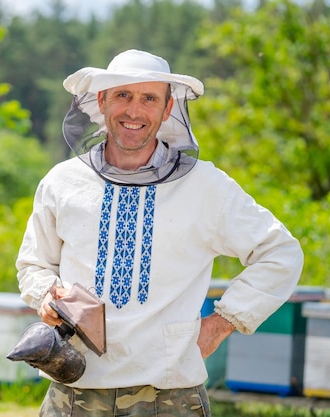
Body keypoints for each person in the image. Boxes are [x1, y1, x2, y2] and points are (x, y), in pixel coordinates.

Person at [15, 49, 304, 416]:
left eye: (149, 98)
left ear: (167, 109)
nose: (134, 111)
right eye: (123, 95)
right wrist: (45, 293)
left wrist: (222, 323)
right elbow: (33, 264)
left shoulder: (206, 186)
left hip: (169, 396)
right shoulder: (62, 181)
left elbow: (280, 252)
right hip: (75, 392)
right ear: (101, 101)